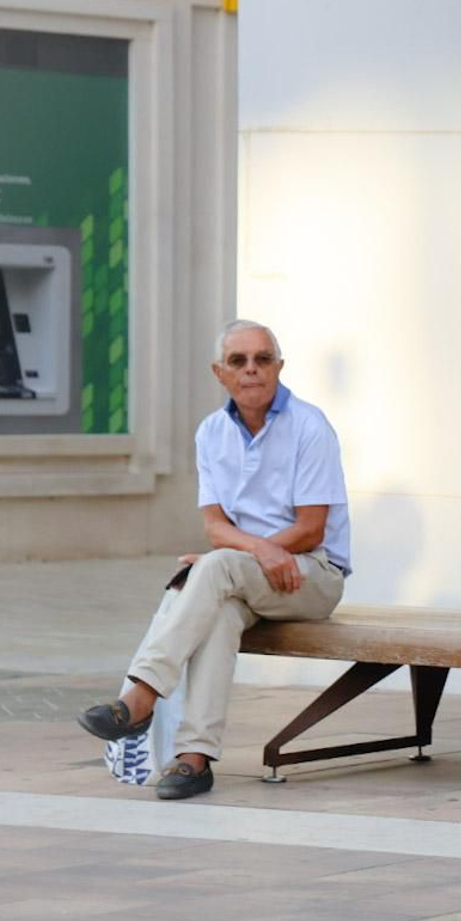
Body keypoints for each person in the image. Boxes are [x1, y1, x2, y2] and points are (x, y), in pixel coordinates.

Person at [76, 319, 351, 800]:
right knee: (220, 607)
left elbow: (311, 528)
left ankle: (140, 696)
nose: (251, 370)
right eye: (238, 361)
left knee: (214, 567)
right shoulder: (211, 433)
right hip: (248, 575)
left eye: (263, 360)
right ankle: (195, 759)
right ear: (218, 372)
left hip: (312, 573)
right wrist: (250, 551)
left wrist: (256, 550)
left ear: (279, 368)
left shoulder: (310, 427)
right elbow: (215, 526)